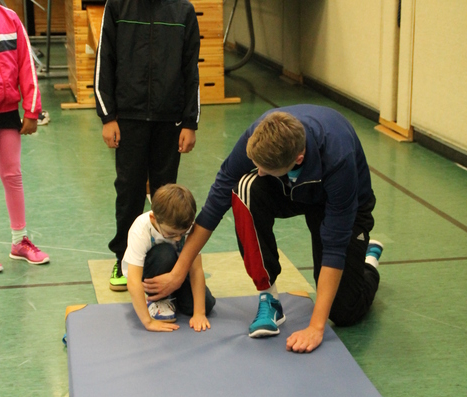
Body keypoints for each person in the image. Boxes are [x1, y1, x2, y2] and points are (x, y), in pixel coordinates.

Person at [144, 104, 384, 352]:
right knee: (245, 188)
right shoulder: (260, 132)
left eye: (265, 169)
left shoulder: (338, 158)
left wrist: (315, 327)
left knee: (344, 312)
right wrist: (178, 272)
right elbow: (215, 204)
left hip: (342, 203)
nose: (259, 171)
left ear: (298, 159)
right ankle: (269, 298)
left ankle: (367, 261)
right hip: (293, 189)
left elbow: (334, 246)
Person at [94, 0, 201, 292]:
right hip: (129, 119)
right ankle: (124, 258)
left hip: (170, 121)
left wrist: (190, 121)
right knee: (129, 191)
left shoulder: (183, 10)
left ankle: (164, 259)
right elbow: (105, 60)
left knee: (165, 194)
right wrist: (108, 116)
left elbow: (191, 69)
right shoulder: (118, 6)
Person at [0, 0, 49, 275]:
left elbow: (26, 65)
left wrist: (32, 110)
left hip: (8, 110)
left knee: (13, 175)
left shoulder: (10, 18)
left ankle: (19, 242)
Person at [123, 184, 215, 332]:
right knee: (165, 253)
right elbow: (133, 281)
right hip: (150, 274)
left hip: (177, 274)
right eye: (171, 234)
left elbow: (196, 270)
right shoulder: (141, 229)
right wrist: (148, 322)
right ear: (154, 218)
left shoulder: (187, 226)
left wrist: (199, 313)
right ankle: (157, 299)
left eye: (183, 233)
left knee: (206, 303)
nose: (178, 238)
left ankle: (172, 297)